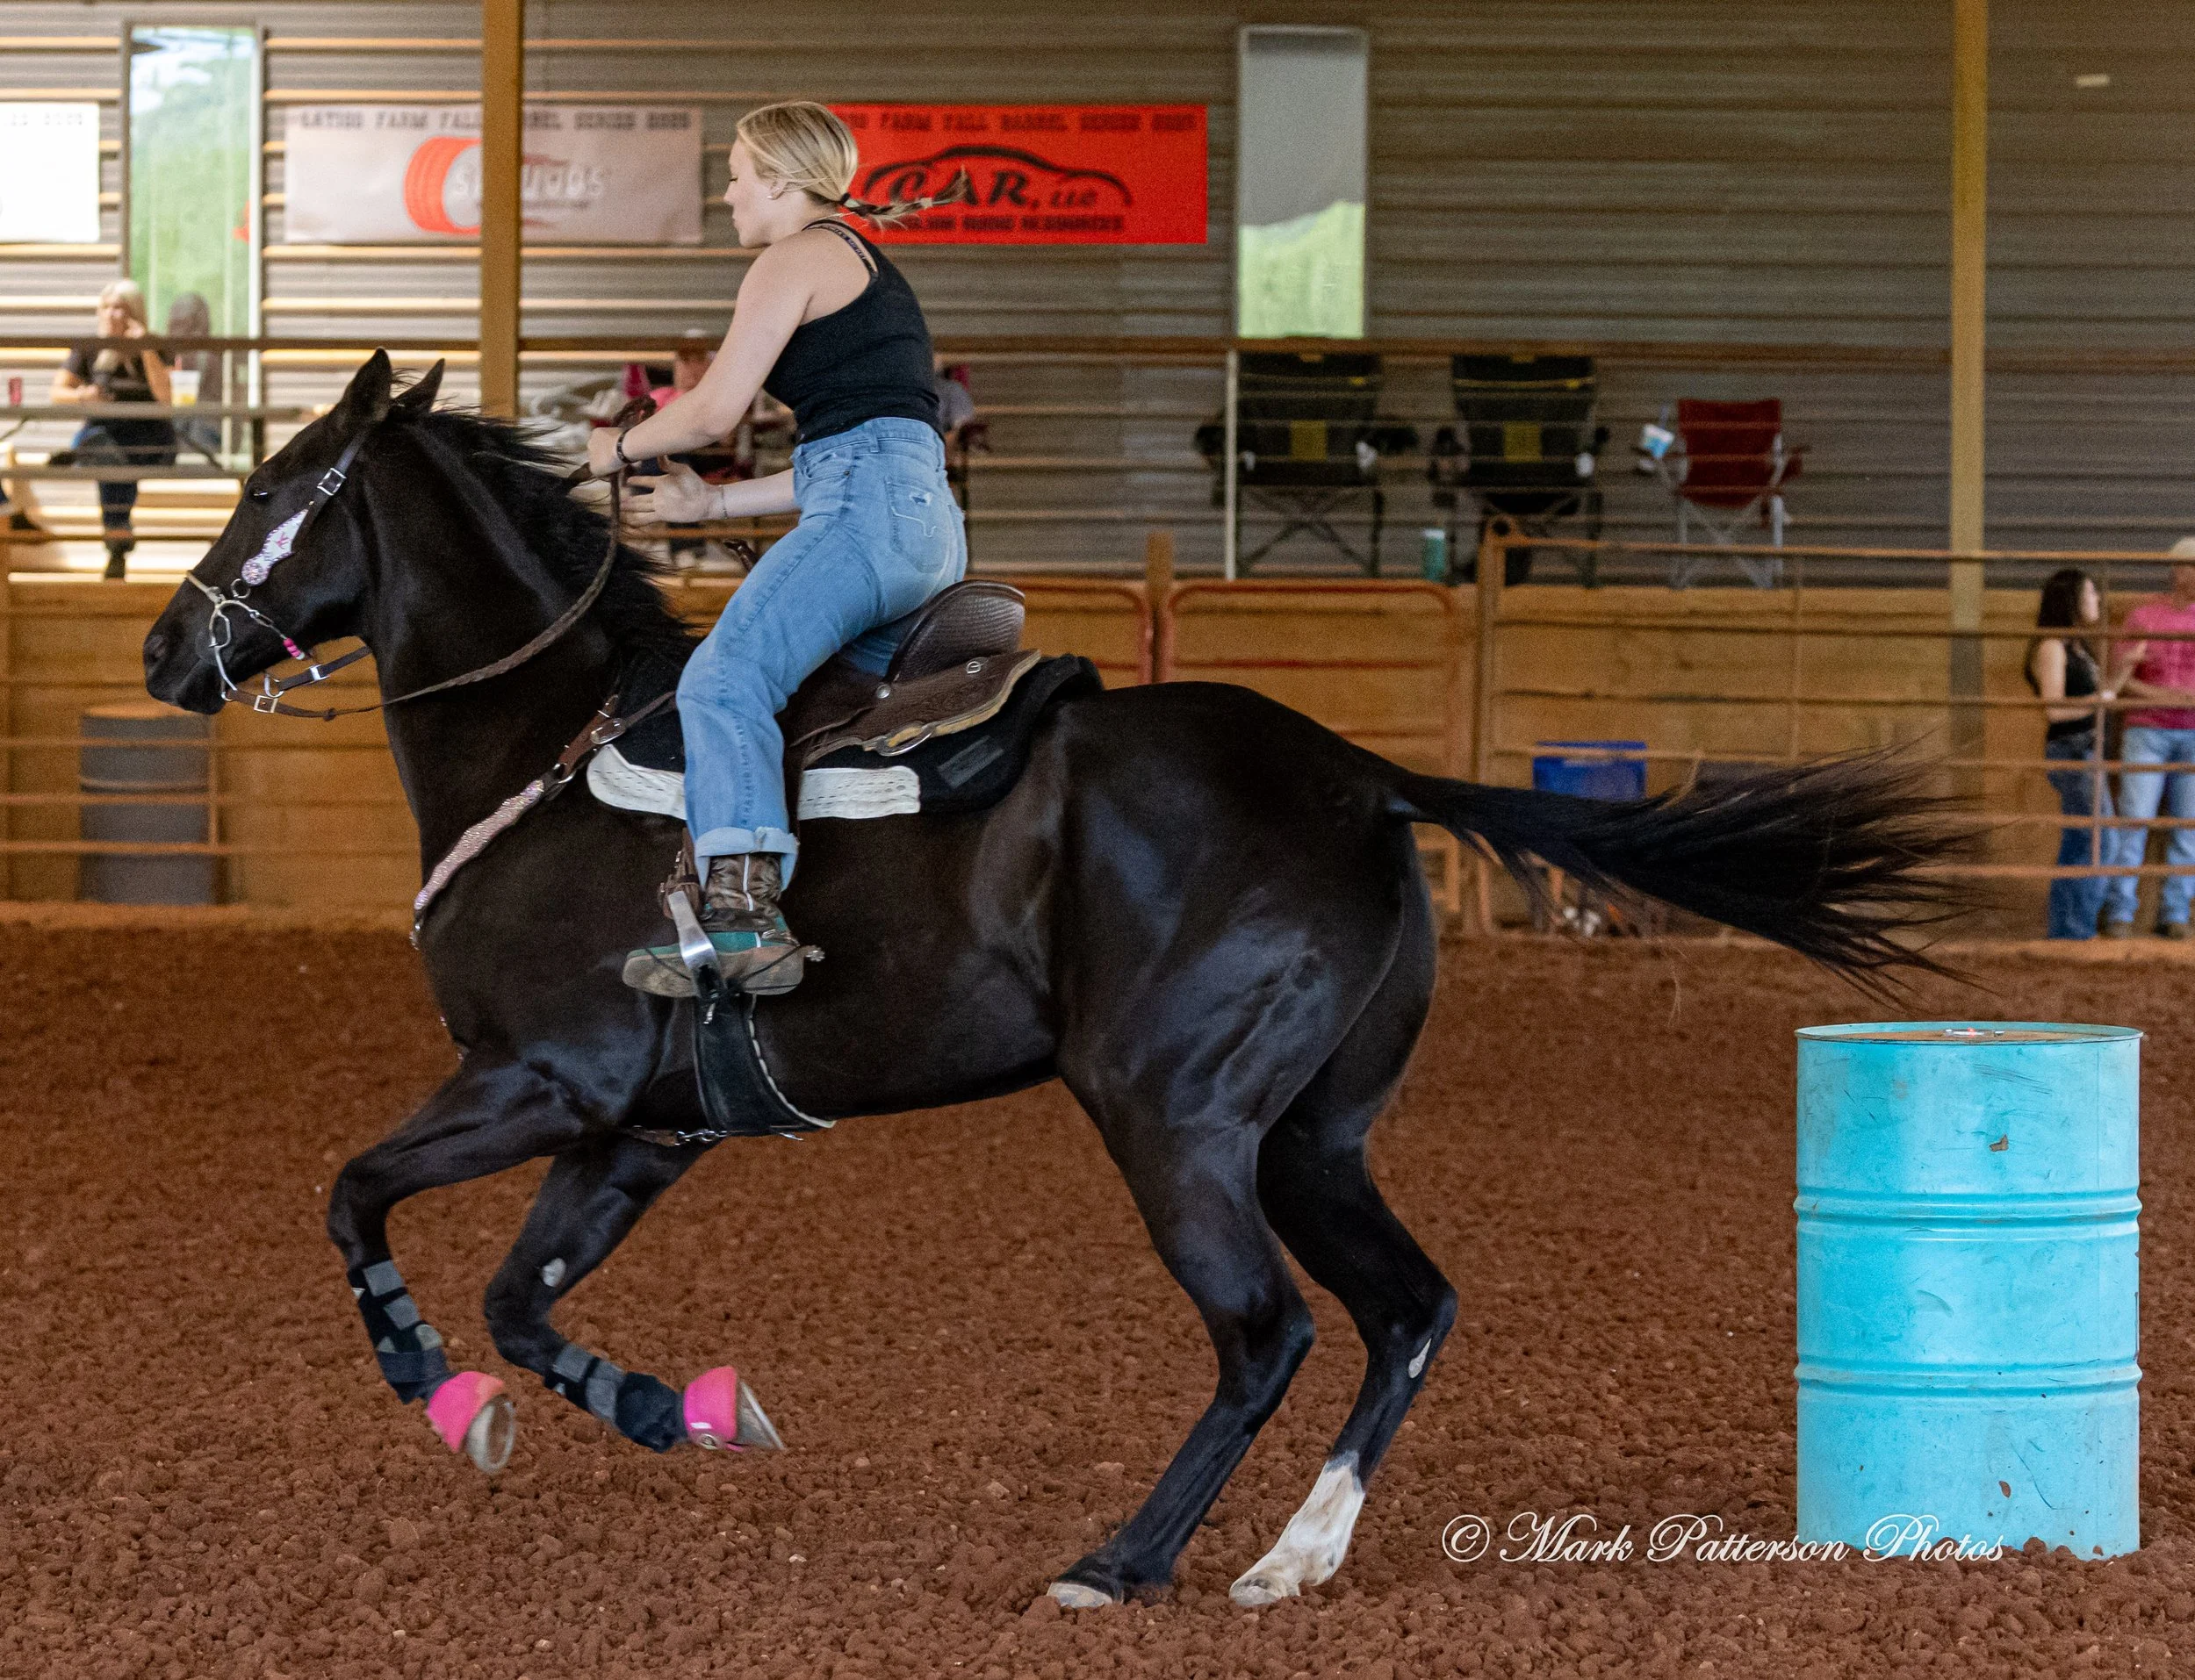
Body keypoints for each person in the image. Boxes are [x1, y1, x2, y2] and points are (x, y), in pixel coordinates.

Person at [588, 101, 969, 998]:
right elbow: (858, 454)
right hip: (919, 527)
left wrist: (616, 448)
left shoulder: (791, 258)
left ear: (781, 180)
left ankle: (744, 918)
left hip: (863, 521)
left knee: (723, 681)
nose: (726, 194)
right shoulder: (862, 264)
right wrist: (709, 500)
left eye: (734, 173)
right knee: (807, 704)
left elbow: (716, 411)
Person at [49, 278, 176, 579]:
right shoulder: (90, 348)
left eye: (119, 308)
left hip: (149, 438)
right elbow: (57, 392)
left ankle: (116, 538)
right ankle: (118, 542)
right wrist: (84, 395)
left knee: (109, 458)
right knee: (110, 456)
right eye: (105, 307)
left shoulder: (156, 345)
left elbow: (166, 398)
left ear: (134, 313)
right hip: (106, 435)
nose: (110, 315)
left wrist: (144, 348)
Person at [2102, 538, 2195, 938]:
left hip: (2185, 730)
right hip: (2148, 728)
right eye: (2189, 566)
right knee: (2134, 821)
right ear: (2176, 570)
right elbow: (2122, 681)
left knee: (2187, 827)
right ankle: (2122, 910)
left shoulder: (2144, 615)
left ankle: (2175, 912)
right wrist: (2173, 697)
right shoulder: (2143, 617)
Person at [2026, 568, 2115, 939]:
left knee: (2081, 840)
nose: (2097, 600)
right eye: (2091, 593)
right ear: (2072, 600)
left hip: (2086, 749)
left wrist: (2120, 676)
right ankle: (2075, 931)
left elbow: (2098, 699)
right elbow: (2055, 709)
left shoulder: (2077, 645)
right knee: (2099, 841)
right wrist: (2097, 701)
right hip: (2072, 750)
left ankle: (2067, 930)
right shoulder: (2052, 646)